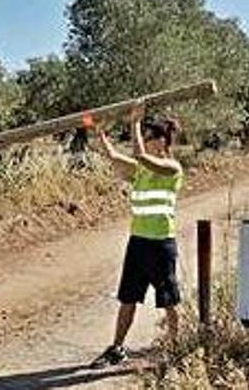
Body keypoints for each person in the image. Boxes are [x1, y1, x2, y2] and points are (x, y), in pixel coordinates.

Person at [91, 103, 184, 368]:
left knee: (169, 300)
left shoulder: (173, 169)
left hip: (162, 245)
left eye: (149, 137)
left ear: (163, 141)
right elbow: (115, 158)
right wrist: (100, 135)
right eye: (144, 138)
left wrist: (134, 123)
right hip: (139, 243)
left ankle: (176, 350)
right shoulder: (140, 169)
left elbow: (141, 158)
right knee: (128, 298)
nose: (145, 142)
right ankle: (117, 348)